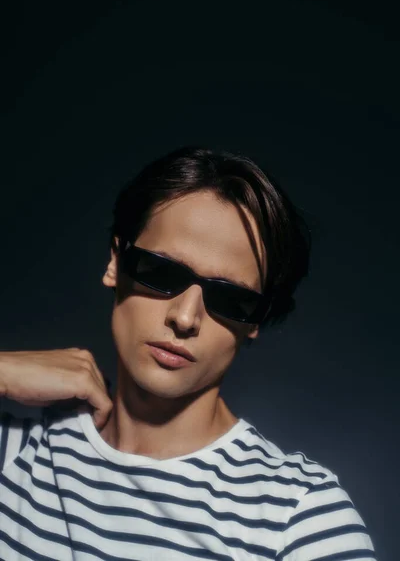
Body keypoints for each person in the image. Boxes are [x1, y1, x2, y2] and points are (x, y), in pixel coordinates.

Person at [0, 146, 376, 560]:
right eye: (161, 272)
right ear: (115, 263)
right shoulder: (18, 450)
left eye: (230, 299)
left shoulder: (299, 515)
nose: (185, 317)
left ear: (255, 321)